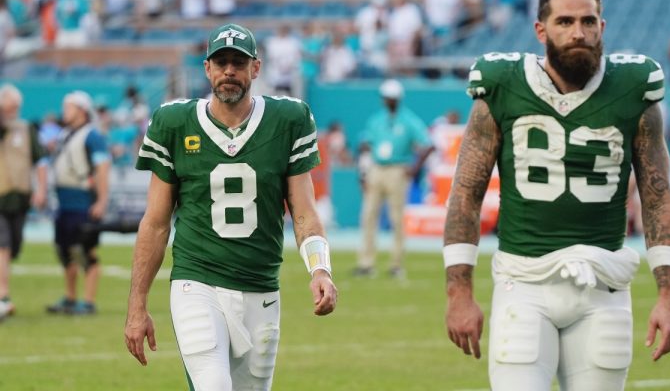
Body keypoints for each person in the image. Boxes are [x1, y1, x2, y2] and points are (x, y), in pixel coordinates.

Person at [442, 0, 670, 390]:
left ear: (602, 26)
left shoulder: (633, 87)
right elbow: (466, 193)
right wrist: (458, 293)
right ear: (541, 30)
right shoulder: (503, 84)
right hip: (524, 281)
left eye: (588, 21)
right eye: (565, 21)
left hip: (603, 286)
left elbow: (658, 195)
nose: (578, 32)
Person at [124, 23, 337, 390]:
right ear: (206, 68)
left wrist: (321, 270)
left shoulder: (289, 120)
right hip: (198, 282)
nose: (229, 71)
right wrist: (136, 305)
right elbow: (156, 224)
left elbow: (304, 213)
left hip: (261, 286)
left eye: (238, 63)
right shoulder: (174, 123)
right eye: (220, 62)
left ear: (256, 68)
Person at [354, 79, 434, 278]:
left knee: (396, 218)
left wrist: (415, 167)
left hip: (398, 169)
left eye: (391, 98)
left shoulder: (409, 120)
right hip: (376, 168)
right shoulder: (377, 120)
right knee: (368, 215)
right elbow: (366, 146)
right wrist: (363, 172)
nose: (388, 101)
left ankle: (396, 264)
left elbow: (428, 144)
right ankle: (366, 263)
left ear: (397, 99)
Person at [46, 91, 111, 315]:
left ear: (82, 110)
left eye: (69, 107)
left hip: (83, 201)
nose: (65, 111)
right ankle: (70, 297)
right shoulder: (65, 134)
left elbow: (103, 168)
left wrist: (102, 200)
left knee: (85, 251)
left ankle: (88, 301)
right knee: (65, 252)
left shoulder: (92, 135)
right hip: (63, 202)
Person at [0, 85, 47, 320]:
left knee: (14, 245)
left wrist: (40, 189)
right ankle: (3, 295)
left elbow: (40, 161)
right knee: (3, 245)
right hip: (1, 195)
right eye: (8, 106)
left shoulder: (26, 129)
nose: (12, 111)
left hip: (20, 198)